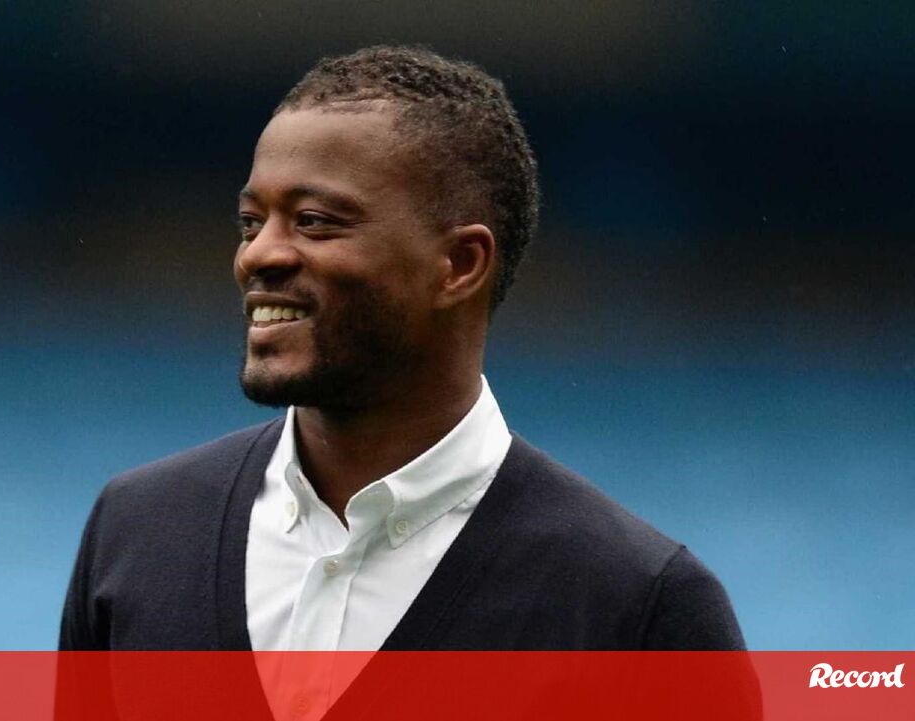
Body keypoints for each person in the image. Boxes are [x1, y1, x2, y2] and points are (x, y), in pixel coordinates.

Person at [58, 44, 746, 714]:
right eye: (251, 222)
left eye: (314, 222)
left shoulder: (638, 608)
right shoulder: (136, 532)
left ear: (459, 265)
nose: (259, 254)